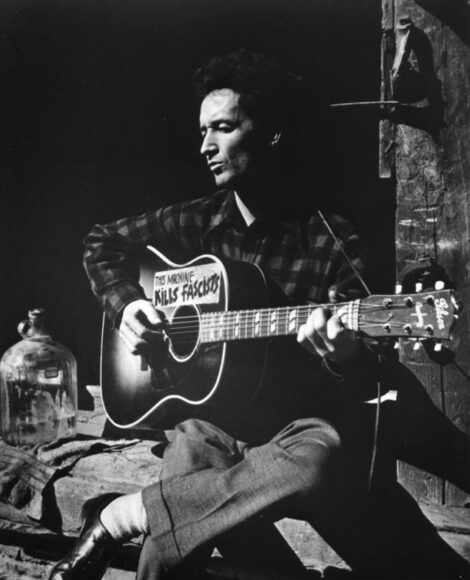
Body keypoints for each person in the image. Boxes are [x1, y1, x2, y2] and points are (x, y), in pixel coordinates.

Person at [49, 49, 470, 580]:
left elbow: (370, 371)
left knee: (318, 458)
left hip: (293, 432)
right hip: (212, 419)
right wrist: (129, 304)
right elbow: (101, 242)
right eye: (203, 131)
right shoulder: (198, 220)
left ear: (270, 133)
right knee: (182, 492)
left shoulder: (328, 236)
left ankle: (121, 516)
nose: (205, 146)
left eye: (223, 128)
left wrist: (343, 354)